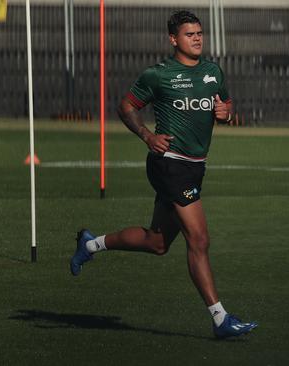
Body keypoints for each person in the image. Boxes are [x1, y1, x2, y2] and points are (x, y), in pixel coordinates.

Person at [70, 10, 257, 339]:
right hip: (170, 164)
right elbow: (126, 106)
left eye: (199, 33)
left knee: (157, 243)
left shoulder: (213, 72)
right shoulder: (158, 75)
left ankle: (92, 244)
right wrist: (147, 136)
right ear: (173, 39)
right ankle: (220, 320)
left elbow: (226, 106)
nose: (197, 38)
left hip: (195, 166)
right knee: (199, 240)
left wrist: (226, 113)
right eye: (189, 34)